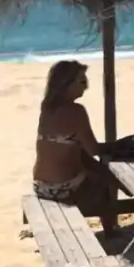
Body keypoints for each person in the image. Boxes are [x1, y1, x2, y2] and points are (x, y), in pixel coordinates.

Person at [32, 60, 115, 231]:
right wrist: (118, 146)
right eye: (82, 82)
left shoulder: (46, 108)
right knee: (103, 185)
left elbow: (72, 148)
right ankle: (110, 232)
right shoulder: (76, 111)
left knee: (95, 168)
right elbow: (93, 149)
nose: (86, 87)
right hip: (63, 188)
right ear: (66, 84)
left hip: (40, 186)